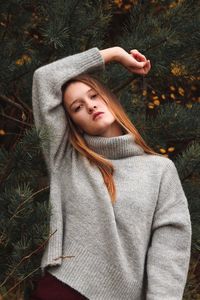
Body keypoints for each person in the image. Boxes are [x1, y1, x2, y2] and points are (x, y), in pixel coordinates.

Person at [31, 46, 192, 300]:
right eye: (77, 107)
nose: (90, 106)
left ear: (108, 98)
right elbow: (44, 78)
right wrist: (115, 54)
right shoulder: (67, 159)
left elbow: (169, 253)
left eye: (94, 96)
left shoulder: (159, 171)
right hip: (62, 291)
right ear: (73, 122)